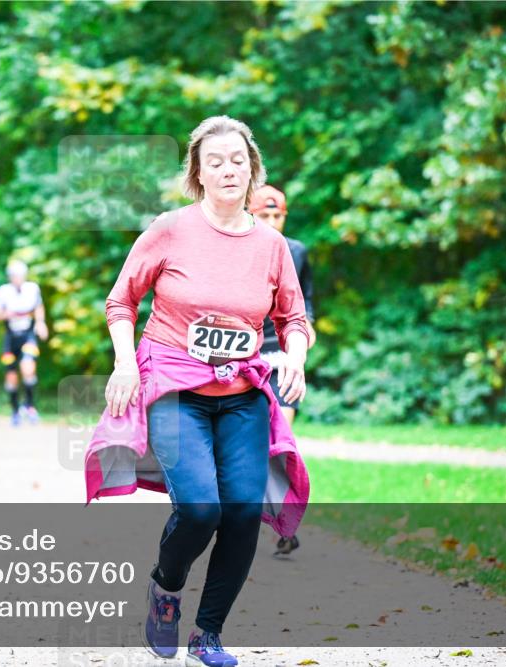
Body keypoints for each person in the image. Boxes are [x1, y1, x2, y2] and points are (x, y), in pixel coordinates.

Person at [84, 116, 311, 667]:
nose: (228, 169)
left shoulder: (272, 245)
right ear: (199, 173)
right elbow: (121, 301)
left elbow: (293, 318)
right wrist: (124, 363)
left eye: (238, 160)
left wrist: (296, 359)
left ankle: (208, 633)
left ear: (252, 169)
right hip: (174, 385)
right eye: (216, 162)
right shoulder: (171, 229)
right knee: (201, 507)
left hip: (242, 391)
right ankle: (165, 588)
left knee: (242, 511)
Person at [249, 185, 318, 558]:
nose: (272, 222)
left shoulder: (296, 251)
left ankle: (285, 524)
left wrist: (307, 330)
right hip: (246, 358)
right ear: (251, 215)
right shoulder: (237, 249)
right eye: (265, 216)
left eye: (278, 216)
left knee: (280, 441)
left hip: (284, 358)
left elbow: (306, 302)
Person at [0, 260, 48, 426]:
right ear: (9, 277)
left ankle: (30, 406)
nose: (17, 279)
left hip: (27, 335)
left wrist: (40, 323)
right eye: (14, 276)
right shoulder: (3, 291)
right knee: (11, 375)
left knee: (28, 367)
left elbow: (38, 306)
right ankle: (15, 410)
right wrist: (6, 314)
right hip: (10, 338)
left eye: (20, 276)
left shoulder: (32, 289)